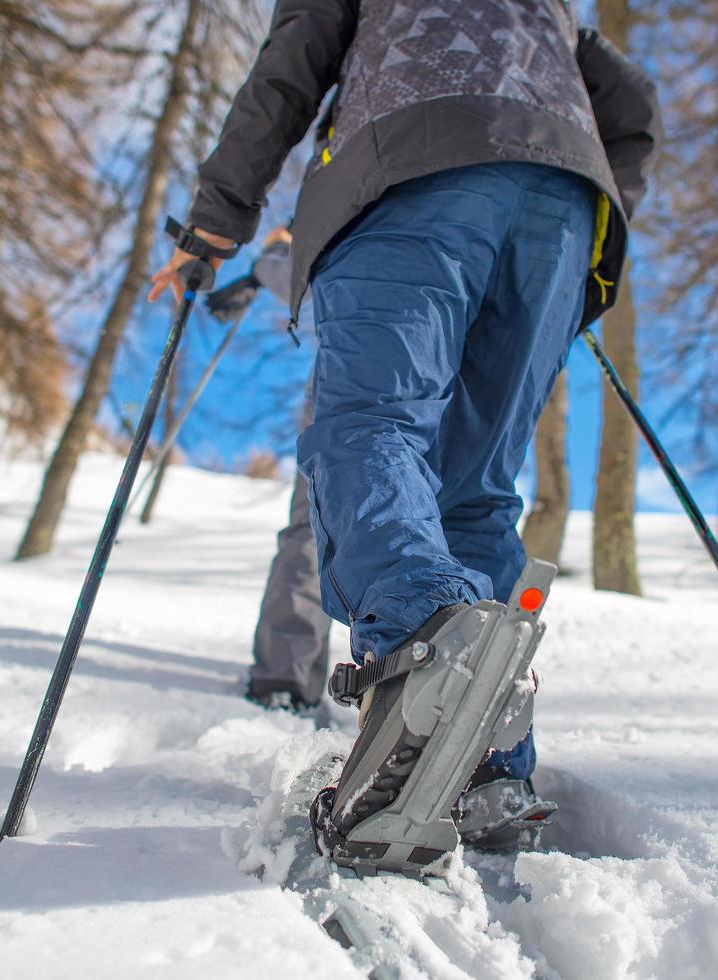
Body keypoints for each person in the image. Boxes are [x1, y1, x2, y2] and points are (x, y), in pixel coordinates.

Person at [150, 0, 660, 874]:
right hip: (565, 210)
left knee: (371, 425)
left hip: (407, 176)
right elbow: (631, 102)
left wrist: (215, 222)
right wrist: (590, 213)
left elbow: (290, 67)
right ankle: (489, 770)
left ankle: (425, 646)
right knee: (478, 490)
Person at [208, 227, 335, 714]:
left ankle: (285, 677)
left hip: (352, 377)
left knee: (315, 527)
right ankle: (430, 692)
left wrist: (270, 259)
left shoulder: (364, 206)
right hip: (453, 385)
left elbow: (308, 283)